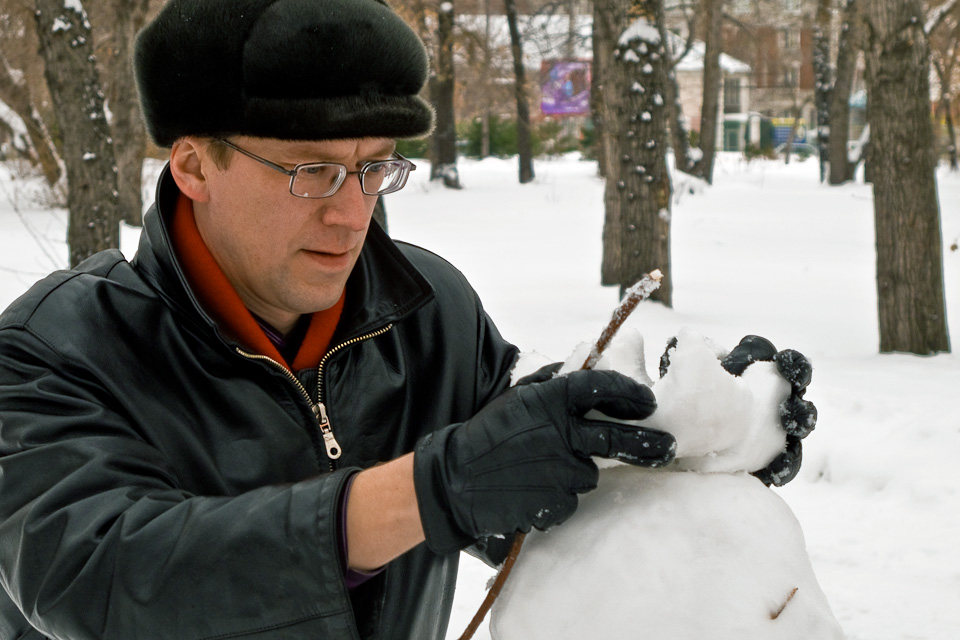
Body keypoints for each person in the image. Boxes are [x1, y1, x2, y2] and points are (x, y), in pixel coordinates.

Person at [0, 1, 813, 638]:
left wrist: (679, 436)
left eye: (375, 169)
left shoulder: (429, 310)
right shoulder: (52, 352)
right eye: (313, 172)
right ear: (193, 164)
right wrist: (425, 492)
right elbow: (103, 580)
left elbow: (510, 492)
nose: (351, 214)